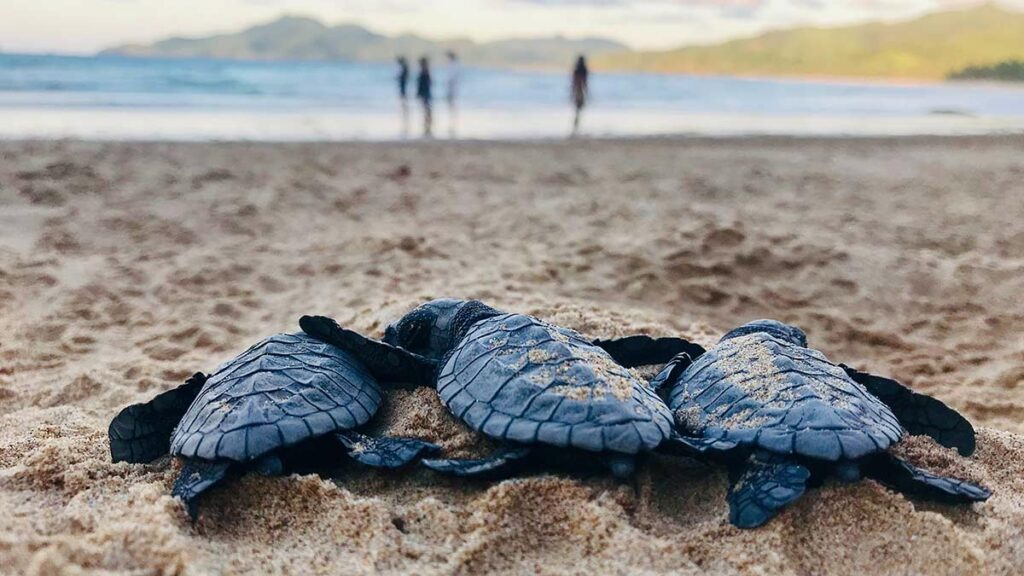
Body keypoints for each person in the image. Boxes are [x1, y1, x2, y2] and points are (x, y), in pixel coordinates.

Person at [570, 55, 589, 136]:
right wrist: (586, 92)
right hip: (580, 91)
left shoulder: (576, 70)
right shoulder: (584, 70)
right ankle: (576, 126)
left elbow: (574, 82)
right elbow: (584, 83)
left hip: (577, 90)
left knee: (577, 109)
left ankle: (576, 126)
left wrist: (571, 93)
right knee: (578, 109)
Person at [445, 51, 461, 137]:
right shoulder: (454, 65)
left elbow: (451, 79)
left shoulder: (453, 66)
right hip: (453, 89)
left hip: (452, 89)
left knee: (452, 105)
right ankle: (452, 121)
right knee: (452, 105)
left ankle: (453, 122)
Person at [416, 56, 433, 137]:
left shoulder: (424, 72)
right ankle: (427, 124)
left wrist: (419, 93)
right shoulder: (426, 71)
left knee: (426, 108)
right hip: (426, 93)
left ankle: (427, 124)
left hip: (425, 93)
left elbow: (423, 84)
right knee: (427, 108)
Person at [397, 56, 410, 137]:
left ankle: (405, 115)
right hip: (403, 89)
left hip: (403, 89)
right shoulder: (404, 68)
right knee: (403, 103)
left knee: (404, 103)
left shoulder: (404, 68)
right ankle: (404, 115)